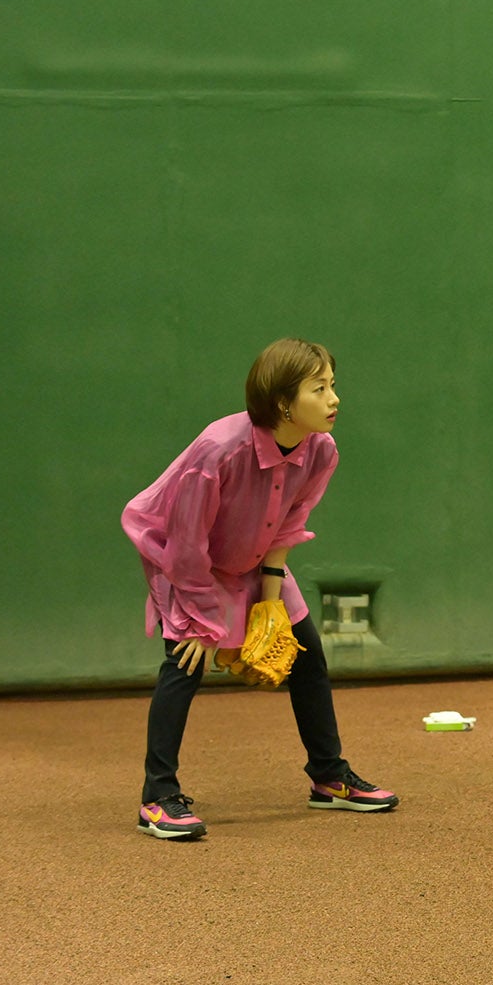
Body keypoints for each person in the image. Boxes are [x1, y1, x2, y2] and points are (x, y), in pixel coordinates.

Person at [123, 338, 398, 841]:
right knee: (184, 662)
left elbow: (290, 522)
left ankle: (329, 777)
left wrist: (269, 602)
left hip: (257, 561)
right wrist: (206, 622)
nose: (334, 399)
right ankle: (157, 797)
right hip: (185, 562)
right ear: (283, 403)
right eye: (320, 388)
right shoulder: (219, 449)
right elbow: (186, 545)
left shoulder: (321, 449)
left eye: (333, 385)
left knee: (307, 656)